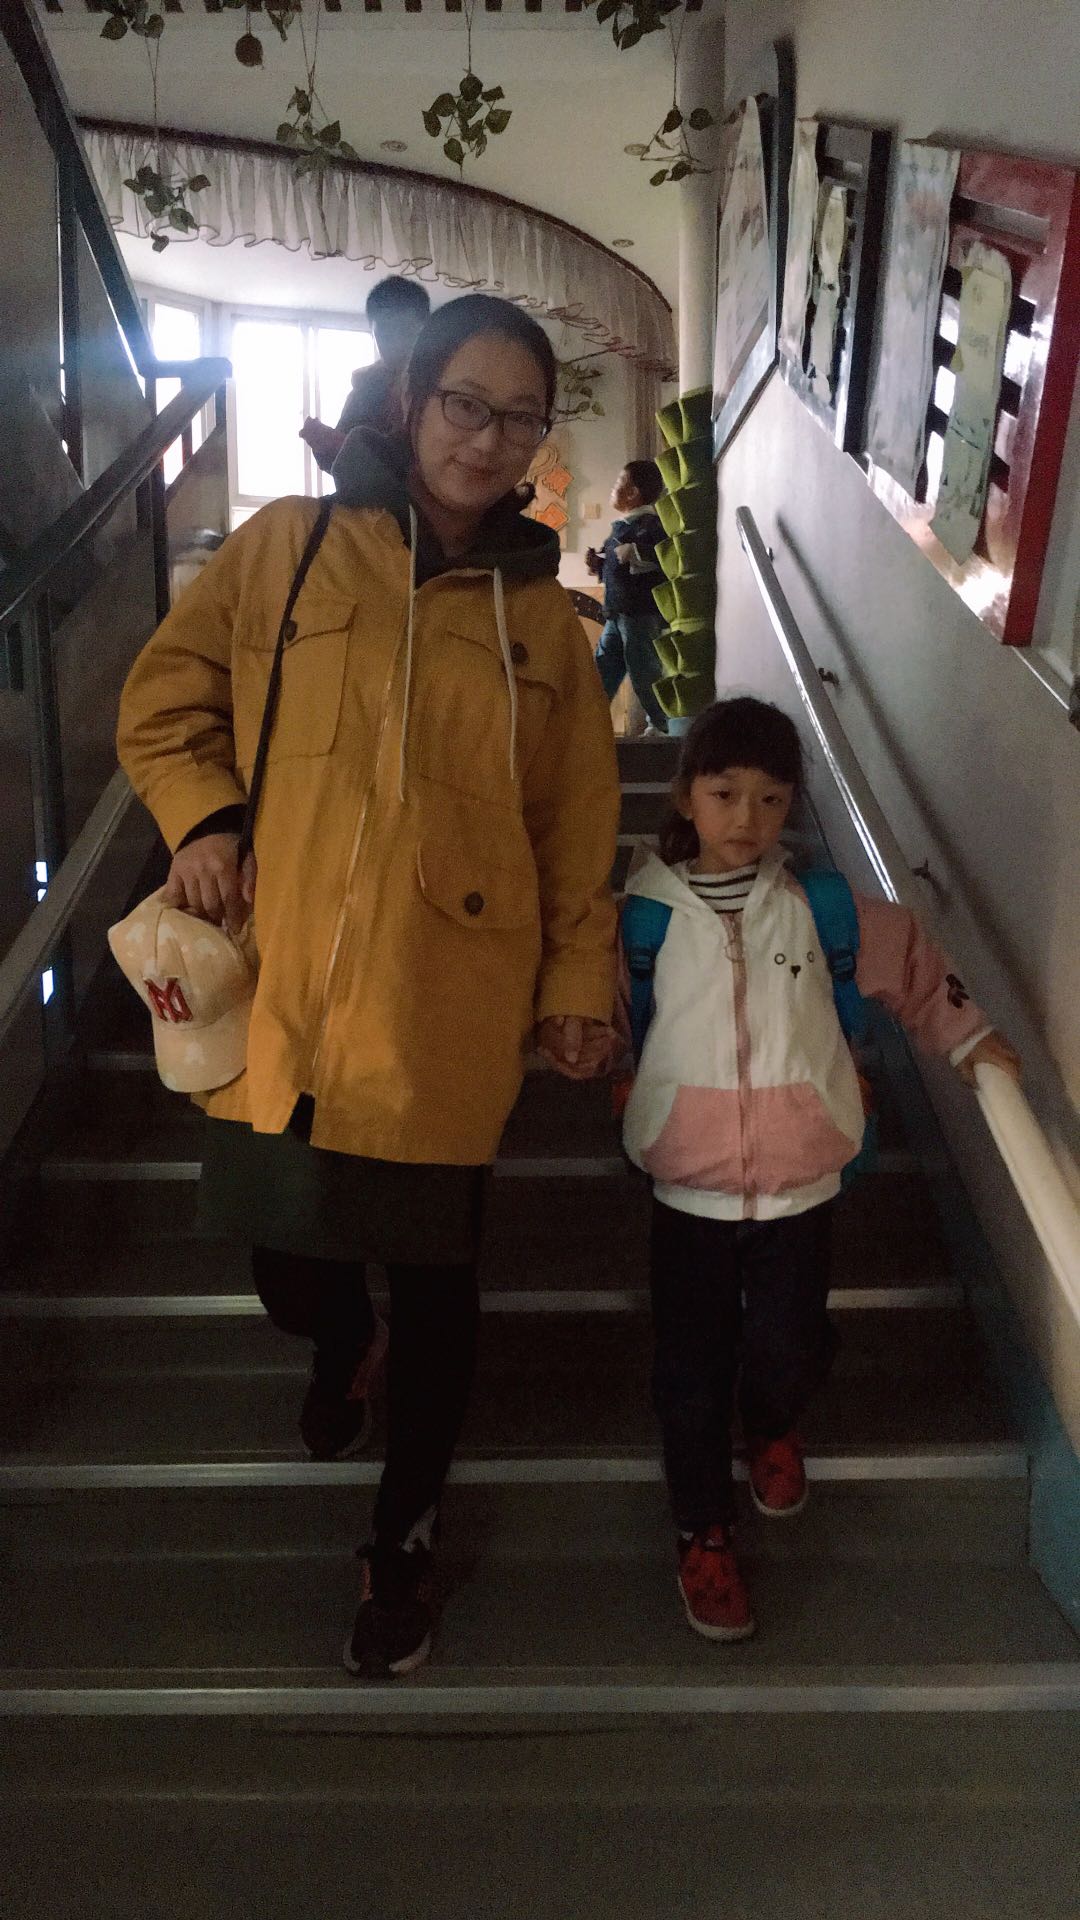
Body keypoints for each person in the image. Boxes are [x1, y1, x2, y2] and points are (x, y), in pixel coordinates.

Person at [117, 293, 621, 1680]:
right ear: (408, 402)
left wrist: (579, 981)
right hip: (286, 991)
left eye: (520, 418)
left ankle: (402, 1537)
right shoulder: (287, 548)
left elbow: (577, 826)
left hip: (449, 1006)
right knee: (290, 1267)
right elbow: (164, 701)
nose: (488, 439)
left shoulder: (546, 625)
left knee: (442, 1287)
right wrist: (206, 819)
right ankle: (341, 1339)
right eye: (466, 403)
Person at [615, 697, 1020, 1642]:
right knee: (688, 1372)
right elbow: (599, 1016)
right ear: (686, 796)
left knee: (789, 1345)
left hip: (801, 1185)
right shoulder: (641, 920)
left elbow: (915, 964)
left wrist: (970, 1039)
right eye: (725, 794)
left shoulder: (822, 910)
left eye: (770, 799)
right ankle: (702, 1531)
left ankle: (772, 1424)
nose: (747, 818)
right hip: (687, 1189)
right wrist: (579, 1042)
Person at [300, 275, 431, 473]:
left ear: (426, 330)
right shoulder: (366, 388)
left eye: (406, 331)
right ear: (373, 333)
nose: (396, 343)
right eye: (385, 334)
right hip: (370, 492)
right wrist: (325, 443)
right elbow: (336, 464)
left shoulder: (443, 382)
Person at [585, 460, 668, 736]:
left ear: (632, 493)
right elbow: (617, 568)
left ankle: (660, 724)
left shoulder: (651, 525)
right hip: (617, 612)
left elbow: (665, 556)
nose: (613, 489)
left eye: (618, 483)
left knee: (644, 669)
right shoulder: (620, 527)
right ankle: (590, 724)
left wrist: (637, 552)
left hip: (640, 613)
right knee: (602, 669)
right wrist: (598, 566)